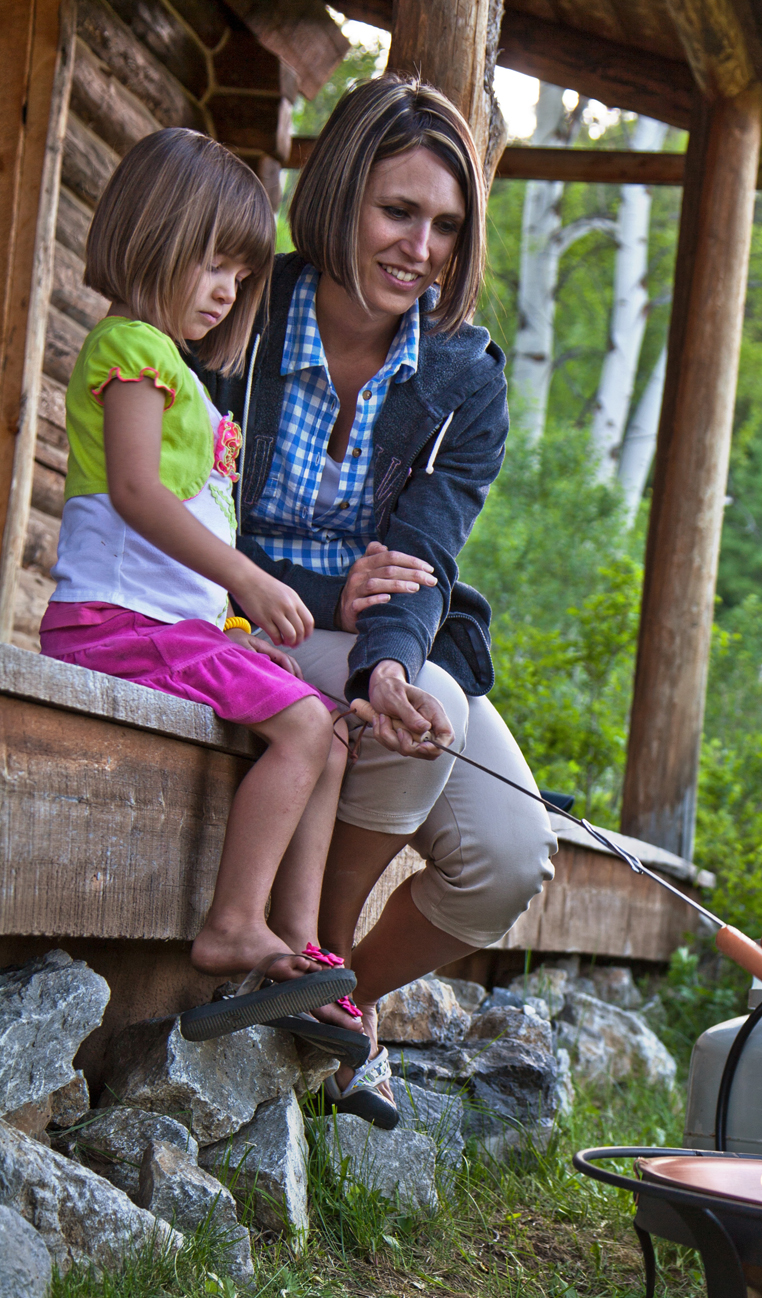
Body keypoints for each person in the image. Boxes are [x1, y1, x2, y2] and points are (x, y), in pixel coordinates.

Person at [192, 77, 557, 1127]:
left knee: (507, 854)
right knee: (416, 737)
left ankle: (336, 986)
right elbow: (183, 508)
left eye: (446, 225)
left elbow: (423, 559)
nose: (423, 247)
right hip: (240, 613)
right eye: (400, 211)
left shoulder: (460, 379)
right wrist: (319, 590)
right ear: (342, 194)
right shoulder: (242, 319)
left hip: (377, 631)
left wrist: (386, 665)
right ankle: (322, 988)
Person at [40, 129, 357, 1027]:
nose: (225, 292)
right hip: (113, 623)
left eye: (238, 275)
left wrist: (233, 626)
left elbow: (181, 542)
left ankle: (297, 947)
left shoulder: (180, 371)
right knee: (301, 725)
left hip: (165, 626)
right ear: (151, 237)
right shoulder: (129, 350)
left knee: (326, 731)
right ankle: (231, 926)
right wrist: (249, 581)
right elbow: (139, 494)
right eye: (210, 264)